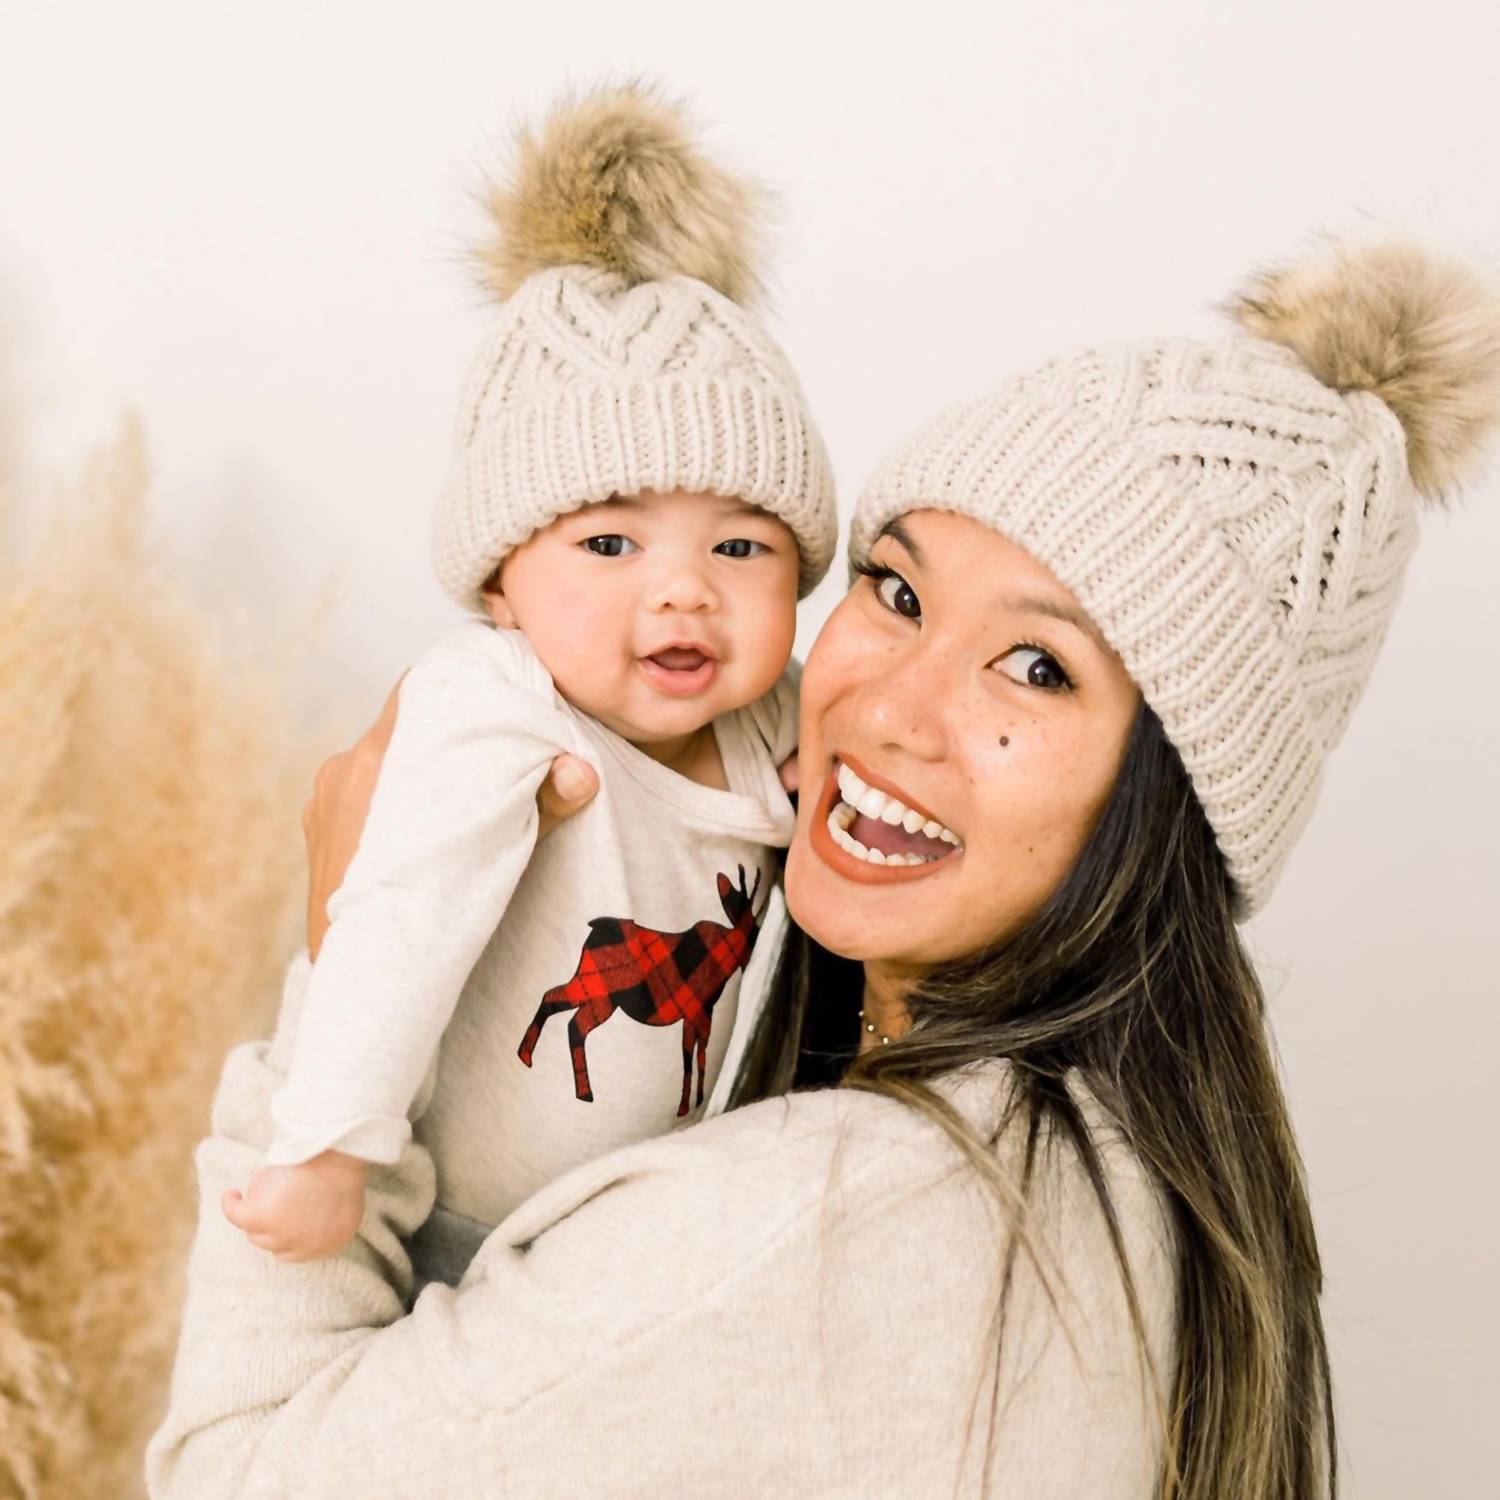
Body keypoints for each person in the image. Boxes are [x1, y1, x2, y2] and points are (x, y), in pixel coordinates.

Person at [147, 233, 1500, 1497]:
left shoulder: (824, 1227)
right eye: (896, 592)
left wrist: (348, 966)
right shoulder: (1136, 1194)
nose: (886, 708)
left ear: (1177, 804)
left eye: (1036, 667)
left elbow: (239, 1475)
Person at [221, 83, 837, 1266]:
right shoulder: (493, 700)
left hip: (662, 1233)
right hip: (462, 1224)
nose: (683, 590)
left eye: (740, 548)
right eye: (609, 544)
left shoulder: (774, 712)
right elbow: (398, 910)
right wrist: (327, 1148)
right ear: (500, 585)